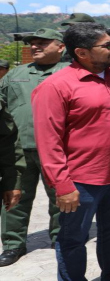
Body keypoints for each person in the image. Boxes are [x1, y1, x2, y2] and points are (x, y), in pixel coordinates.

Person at [32, 23, 110, 281]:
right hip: (81, 181)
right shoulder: (55, 86)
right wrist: (62, 185)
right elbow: (48, 140)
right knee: (73, 238)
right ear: (82, 53)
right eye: (106, 45)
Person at [0, 29, 69, 266]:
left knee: (61, 198)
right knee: (14, 196)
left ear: (60, 46)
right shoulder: (15, 74)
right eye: (33, 43)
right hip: (18, 150)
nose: (35, 46)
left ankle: (60, 238)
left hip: (59, 150)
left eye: (43, 43)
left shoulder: (71, 73)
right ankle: (13, 244)